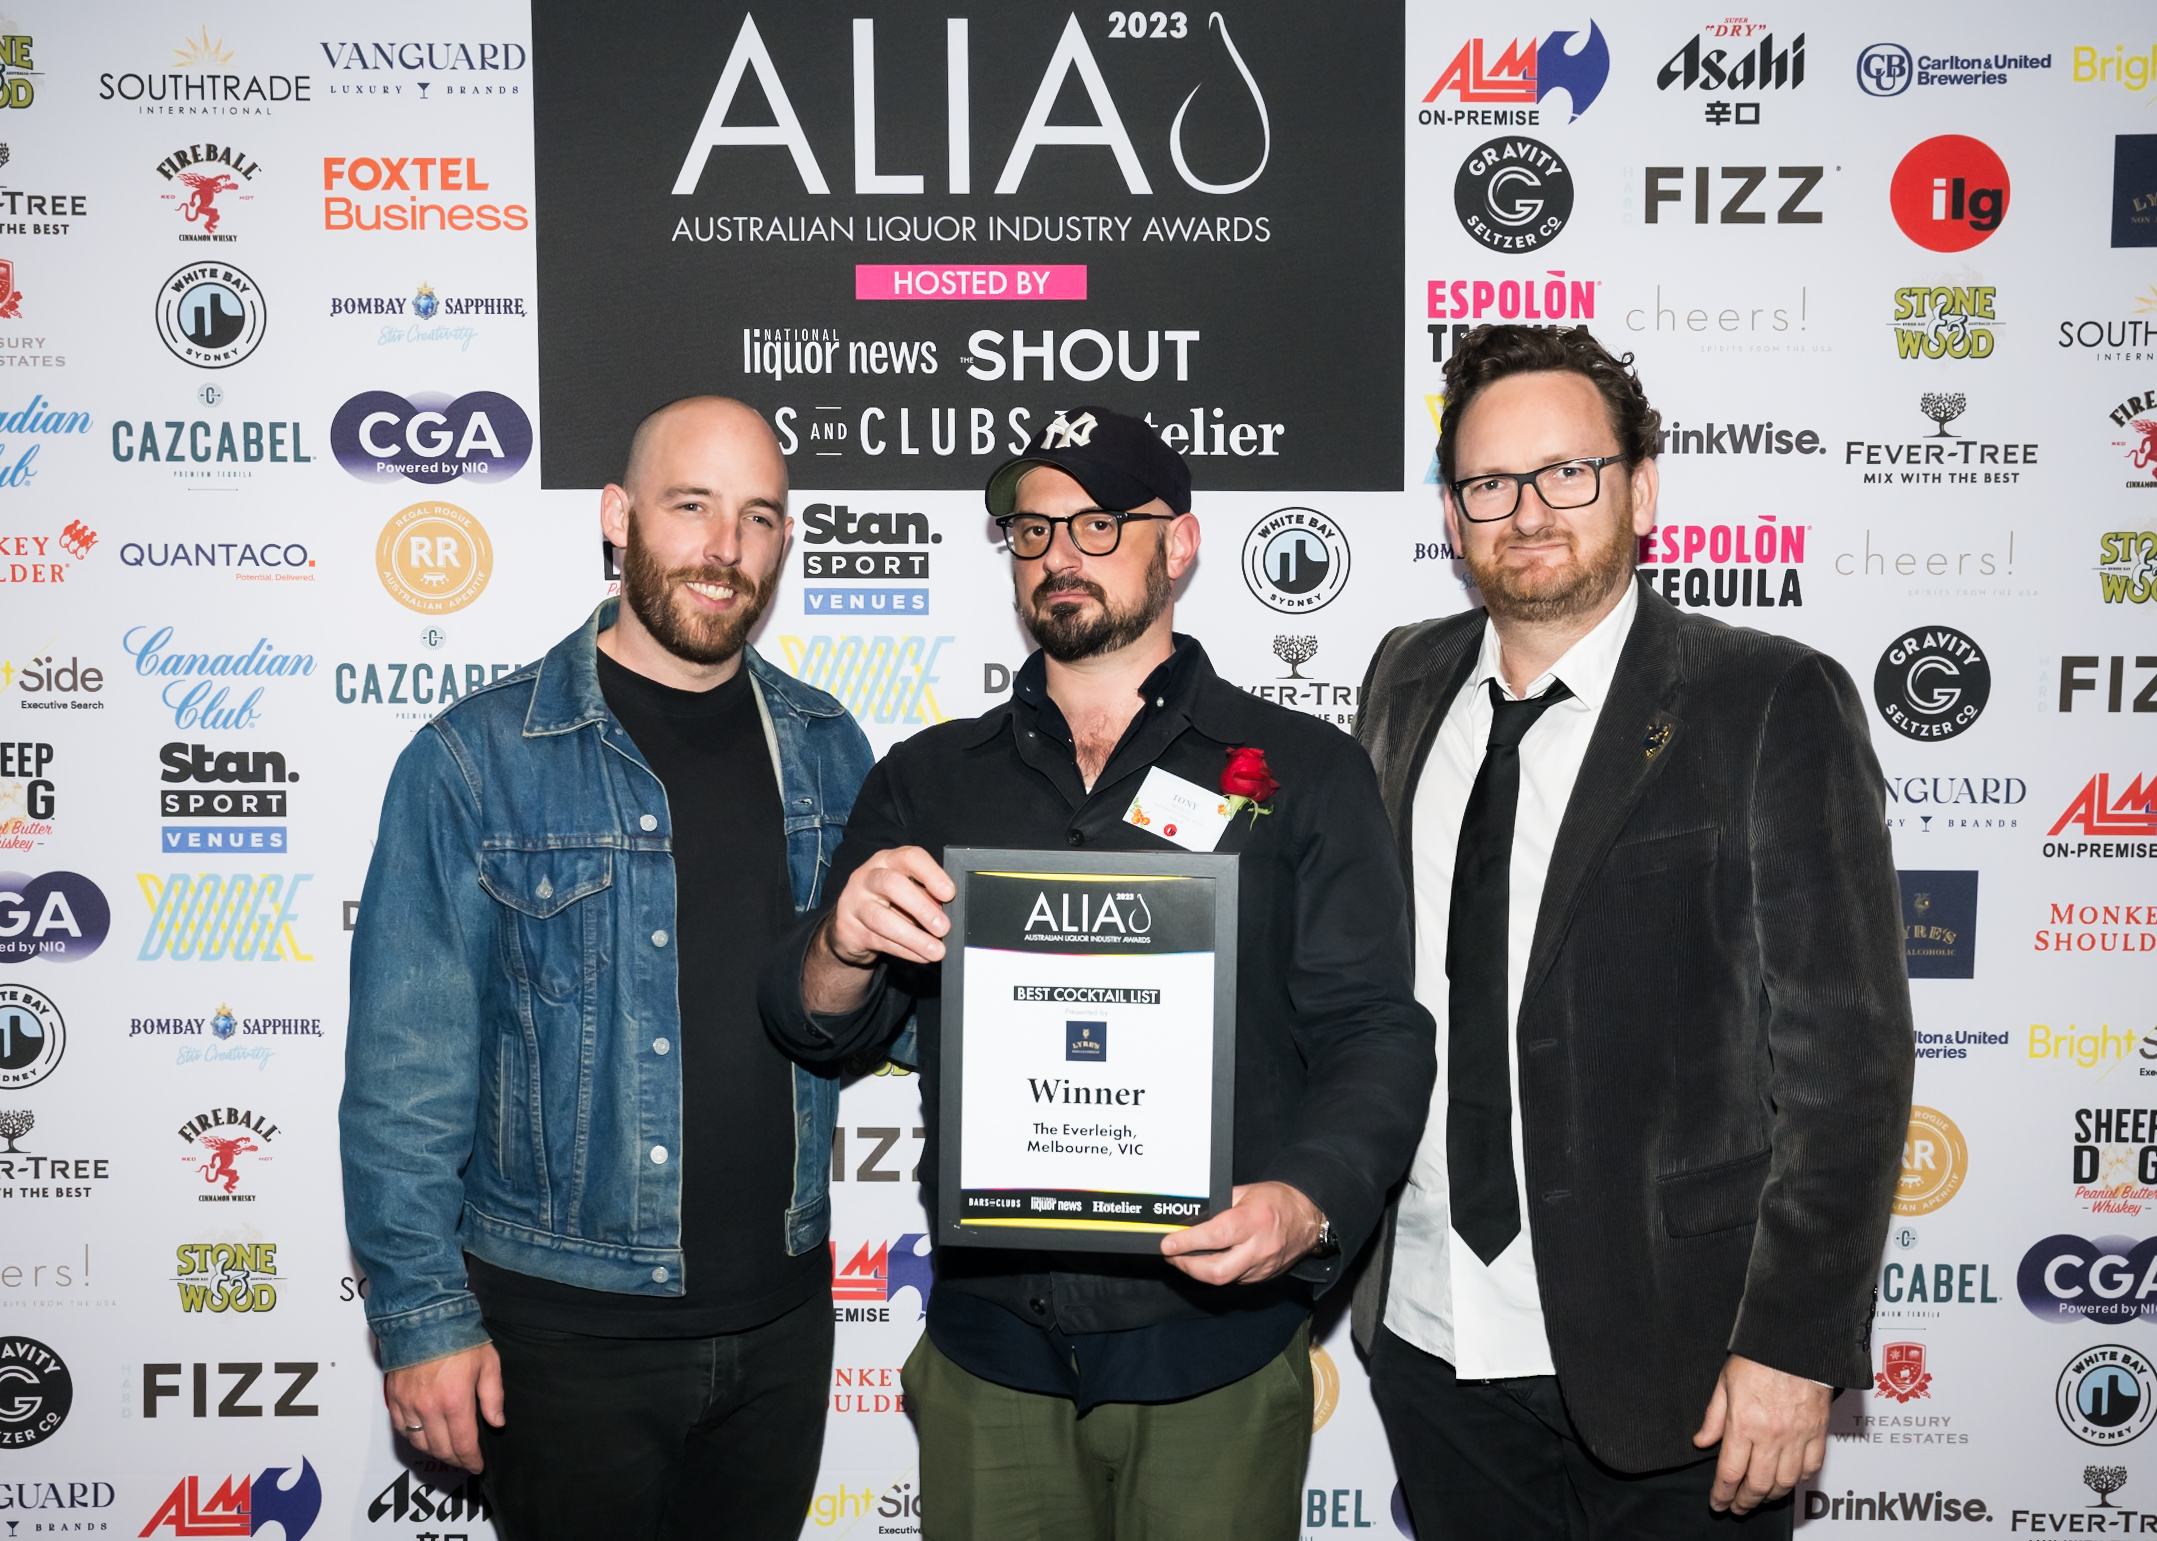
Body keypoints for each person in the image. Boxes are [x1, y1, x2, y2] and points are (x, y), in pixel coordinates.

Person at [759, 406, 1435, 1540]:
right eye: (1032, 529)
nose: (1059, 554)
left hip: (1215, 1353)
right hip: (988, 1360)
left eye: (1098, 522)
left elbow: (1373, 1027)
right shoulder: (929, 777)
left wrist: (1309, 1197)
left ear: (1181, 544)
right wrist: (841, 939)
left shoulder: (1301, 770)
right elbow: (816, 1025)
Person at [1352, 325, 1914, 1539]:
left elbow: (1848, 1063)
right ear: (1451, 515)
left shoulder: (1767, 698)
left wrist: (1792, 1344)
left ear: (1641, 490)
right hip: (1434, 1339)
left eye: (1569, 472)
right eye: (1489, 483)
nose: (1528, 511)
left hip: (1686, 1354)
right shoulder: (1402, 678)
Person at [340, 397, 873, 1540]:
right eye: (692, 506)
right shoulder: (474, 759)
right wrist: (424, 1318)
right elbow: (405, 1072)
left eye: (759, 516)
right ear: (619, 517)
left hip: (782, 1323)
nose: (725, 547)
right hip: (563, 1335)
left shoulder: (831, 748)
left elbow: (870, 1015)